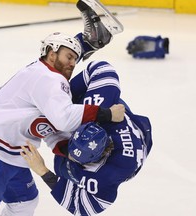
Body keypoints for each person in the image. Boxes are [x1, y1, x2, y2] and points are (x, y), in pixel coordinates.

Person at [0, 1, 125, 215]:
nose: (73, 63)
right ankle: (89, 41)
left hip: (11, 152)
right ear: (51, 54)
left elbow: (51, 128)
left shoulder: (50, 82)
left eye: (75, 57)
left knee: (25, 203)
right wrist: (106, 114)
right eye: (69, 57)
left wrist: (69, 151)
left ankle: (89, 41)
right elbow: (63, 119)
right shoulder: (49, 78)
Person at [20, 60, 153, 216]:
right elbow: (101, 67)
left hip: (132, 149)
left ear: (93, 161)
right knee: (70, 111)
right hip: (118, 121)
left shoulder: (106, 177)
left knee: (62, 168)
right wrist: (61, 99)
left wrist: (43, 171)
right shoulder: (105, 107)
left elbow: (81, 207)